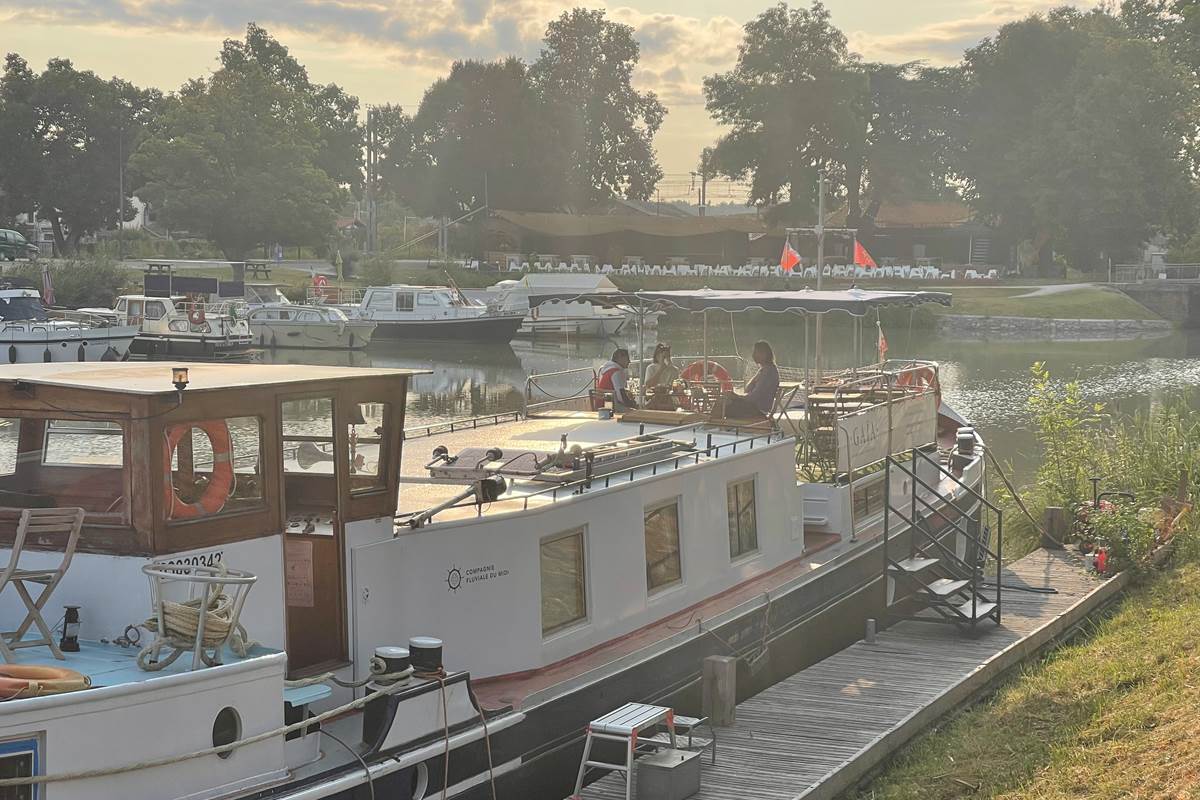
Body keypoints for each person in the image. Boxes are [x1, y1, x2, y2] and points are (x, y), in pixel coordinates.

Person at [720, 340, 780, 419]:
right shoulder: (765, 370)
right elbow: (748, 390)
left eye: (756, 352)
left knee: (722, 404)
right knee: (724, 400)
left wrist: (736, 396)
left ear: (764, 354)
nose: (753, 355)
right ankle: (717, 426)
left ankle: (712, 426)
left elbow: (754, 397)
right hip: (755, 406)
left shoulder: (768, 372)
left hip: (758, 409)